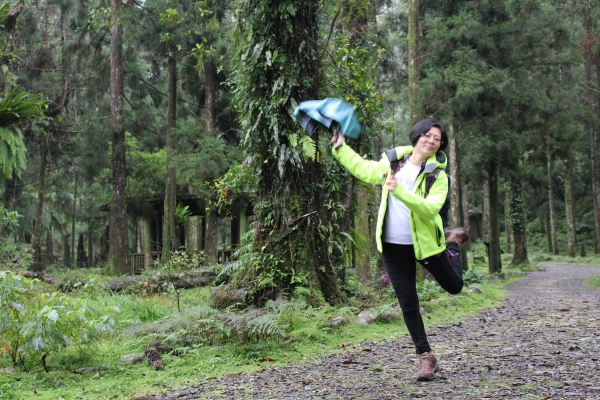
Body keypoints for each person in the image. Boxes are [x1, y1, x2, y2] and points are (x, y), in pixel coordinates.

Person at [331, 118, 468, 381]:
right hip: (393, 247)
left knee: (454, 286)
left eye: (436, 139)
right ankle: (426, 357)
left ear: (440, 146)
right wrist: (340, 148)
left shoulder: (438, 176)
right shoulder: (392, 163)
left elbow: (430, 210)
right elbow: (363, 168)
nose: (430, 140)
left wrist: (399, 191)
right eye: (427, 135)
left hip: (427, 245)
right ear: (416, 136)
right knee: (408, 303)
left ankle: (453, 244)